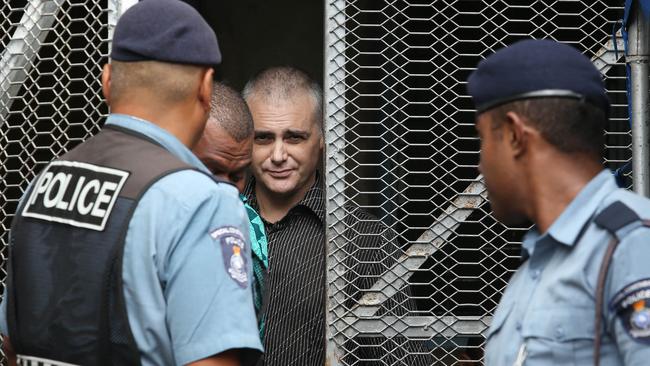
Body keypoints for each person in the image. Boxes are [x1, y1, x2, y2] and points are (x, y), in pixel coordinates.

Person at [0, 1, 262, 365]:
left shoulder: (42, 185)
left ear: (107, 81)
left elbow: (13, 345)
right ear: (205, 88)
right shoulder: (201, 203)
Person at [467, 39, 650, 365]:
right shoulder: (536, 264)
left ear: (514, 134)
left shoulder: (633, 243)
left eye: (482, 139)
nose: (480, 164)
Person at [242, 66, 431, 366]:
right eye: (263, 138)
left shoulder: (365, 239)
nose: (278, 155)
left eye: (294, 138)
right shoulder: (219, 220)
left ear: (321, 138)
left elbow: (407, 361)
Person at [192, 82, 268, 339]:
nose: (226, 191)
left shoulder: (248, 224)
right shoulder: (153, 216)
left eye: (236, 176)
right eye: (212, 170)